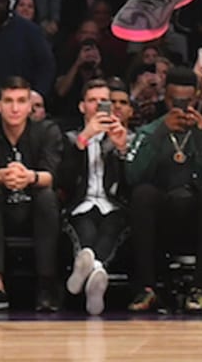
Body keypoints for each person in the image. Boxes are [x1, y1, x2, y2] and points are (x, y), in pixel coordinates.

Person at [123, 66, 202, 312]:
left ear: (197, 99)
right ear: (164, 97)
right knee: (142, 194)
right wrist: (161, 133)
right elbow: (132, 176)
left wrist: (200, 139)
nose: (179, 106)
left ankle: (199, 289)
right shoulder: (149, 131)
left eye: (186, 100)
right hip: (161, 212)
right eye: (174, 100)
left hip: (198, 213)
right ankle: (147, 289)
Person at [0, 76, 64, 314]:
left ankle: (46, 284)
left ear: (30, 106)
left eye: (21, 101)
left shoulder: (47, 130)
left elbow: (51, 175)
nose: (14, 108)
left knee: (47, 196)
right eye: (8, 101)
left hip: (34, 205)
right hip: (0, 204)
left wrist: (29, 177)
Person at [60, 78, 131, 317]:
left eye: (104, 101)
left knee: (112, 225)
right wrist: (84, 139)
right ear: (82, 107)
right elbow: (64, 180)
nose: (98, 106)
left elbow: (131, 185)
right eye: (93, 101)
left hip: (113, 205)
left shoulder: (123, 137)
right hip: (80, 204)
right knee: (86, 226)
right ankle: (95, 272)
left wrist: (122, 151)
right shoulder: (69, 138)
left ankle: (91, 271)